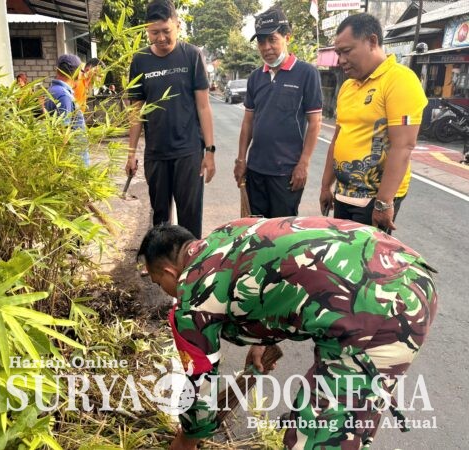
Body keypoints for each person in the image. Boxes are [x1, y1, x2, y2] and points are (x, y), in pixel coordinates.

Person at [138, 217, 437, 450]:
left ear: (169, 273)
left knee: (320, 437)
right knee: (341, 421)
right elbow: (280, 272)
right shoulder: (228, 233)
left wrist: (187, 439)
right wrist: (260, 341)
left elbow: (199, 385)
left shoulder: (192, 297)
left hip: (380, 307)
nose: (165, 290)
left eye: (157, 283)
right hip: (403, 271)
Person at [319, 13, 428, 232]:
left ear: (372, 41)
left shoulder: (400, 80)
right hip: (344, 192)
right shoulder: (348, 86)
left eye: (347, 51)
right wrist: (325, 186)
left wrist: (384, 202)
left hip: (373, 198)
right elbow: (338, 138)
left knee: (365, 253)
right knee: (341, 250)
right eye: (338, 53)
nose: (341, 60)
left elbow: (403, 146)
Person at [126, 0, 215, 239]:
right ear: (146, 30)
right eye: (154, 32)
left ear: (177, 25)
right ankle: (164, 260)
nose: (161, 38)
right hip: (156, 152)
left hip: (188, 152)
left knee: (190, 218)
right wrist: (131, 153)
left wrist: (209, 151)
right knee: (160, 220)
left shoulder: (192, 56)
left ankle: (191, 258)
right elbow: (136, 112)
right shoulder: (140, 60)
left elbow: (204, 106)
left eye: (166, 31)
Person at [234, 6, 322, 218]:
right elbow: (248, 122)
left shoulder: (307, 73)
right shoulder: (256, 77)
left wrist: (303, 164)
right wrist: (241, 160)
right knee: (255, 229)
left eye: (272, 39)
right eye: (261, 41)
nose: (266, 47)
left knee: (282, 232)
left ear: (287, 37)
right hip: (255, 170)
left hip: (287, 173)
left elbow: (315, 122)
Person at [44, 54, 89, 165]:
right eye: (81, 71)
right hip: (74, 161)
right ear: (77, 72)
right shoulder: (64, 96)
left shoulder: (53, 90)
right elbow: (64, 136)